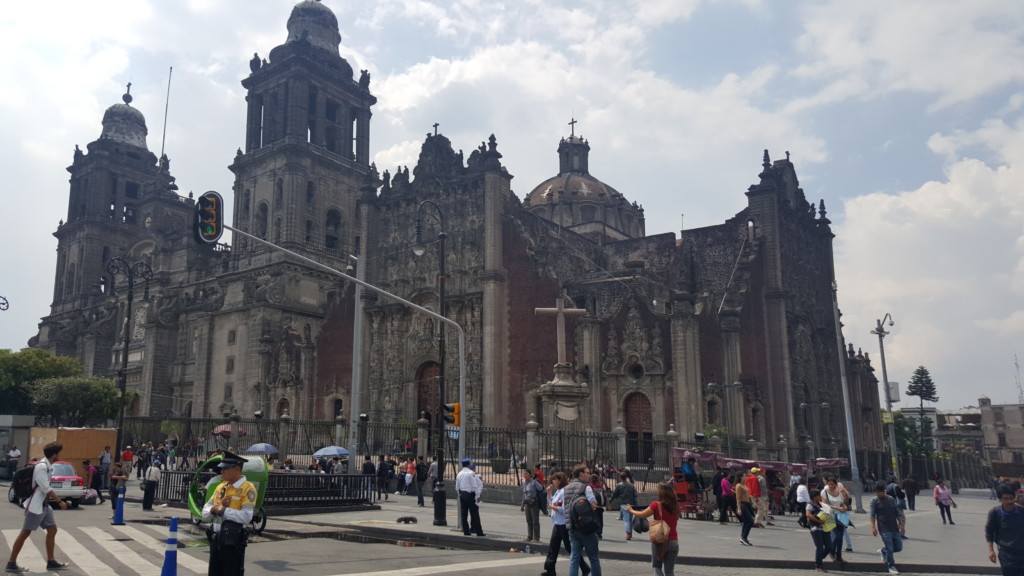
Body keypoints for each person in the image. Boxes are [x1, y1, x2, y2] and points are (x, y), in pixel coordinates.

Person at [5, 442, 70, 573]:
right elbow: (45, 487)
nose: (60, 455)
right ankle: (11, 563)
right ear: (54, 454)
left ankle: (51, 561)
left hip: (43, 505)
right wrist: (60, 501)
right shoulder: (41, 467)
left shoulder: (47, 466)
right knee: (25, 533)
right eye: (59, 453)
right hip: (35, 506)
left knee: (52, 529)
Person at [201, 451, 256, 576]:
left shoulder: (248, 488)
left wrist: (223, 510)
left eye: (225, 468)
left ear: (237, 469)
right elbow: (204, 512)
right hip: (215, 540)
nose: (222, 471)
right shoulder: (220, 487)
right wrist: (214, 509)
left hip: (232, 543)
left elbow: (246, 516)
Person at [627, 483, 681, 576]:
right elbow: (676, 519)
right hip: (673, 541)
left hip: (659, 541)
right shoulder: (676, 506)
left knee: (657, 567)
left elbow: (642, 514)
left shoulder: (656, 505)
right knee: (669, 571)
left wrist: (631, 510)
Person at [542, 472, 590, 576]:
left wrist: (554, 507)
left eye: (554, 480)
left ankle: (584, 567)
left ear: (560, 481)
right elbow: (551, 502)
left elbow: (564, 508)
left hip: (564, 523)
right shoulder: (558, 491)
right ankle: (550, 570)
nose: (552, 482)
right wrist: (549, 493)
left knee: (569, 547)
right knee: (553, 546)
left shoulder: (564, 491)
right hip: (557, 523)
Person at [563, 463, 602, 576]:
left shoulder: (567, 487)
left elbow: (564, 507)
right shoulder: (586, 487)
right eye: (588, 473)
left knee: (574, 557)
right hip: (586, 527)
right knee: (593, 558)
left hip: (572, 526)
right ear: (581, 474)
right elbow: (594, 504)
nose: (589, 475)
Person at [987, 484, 1024, 575]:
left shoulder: (1022, 511)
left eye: (1011, 498)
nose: (1010, 501)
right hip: (1006, 554)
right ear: (1000, 499)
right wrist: (991, 550)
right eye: (1006, 498)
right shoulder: (995, 513)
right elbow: (989, 531)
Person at [871, 481, 905, 575]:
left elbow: (897, 512)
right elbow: (872, 515)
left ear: (884, 491)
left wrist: (902, 525)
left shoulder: (891, 499)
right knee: (890, 548)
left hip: (894, 527)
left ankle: (883, 550)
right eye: (876, 492)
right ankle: (891, 566)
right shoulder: (874, 501)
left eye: (879, 492)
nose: (877, 494)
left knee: (898, 547)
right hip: (883, 528)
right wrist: (873, 527)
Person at [822, 475, 849, 564]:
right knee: (835, 536)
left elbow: (842, 503)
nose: (830, 486)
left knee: (840, 537)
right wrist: (837, 508)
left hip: (840, 516)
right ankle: (831, 552)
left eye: (832, 484)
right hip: (831, 516)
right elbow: (825, 504)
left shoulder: (839, 492)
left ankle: (839, 555)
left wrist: (844, 507)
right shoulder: (824, 492)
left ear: (835, 484)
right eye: (829, 484)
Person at [455, 458, 485, 536]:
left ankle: (466, 531)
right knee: (475, 514)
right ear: (468, 464)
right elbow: (474, 486)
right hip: (471, 495)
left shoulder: (459, 474)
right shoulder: (471, 473)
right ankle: (479, 532)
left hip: (462, 495)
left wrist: (460, 495)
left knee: (464, 514)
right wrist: (477, 496)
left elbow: (457, 487)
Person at [805, 489, 831, 573]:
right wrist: (819, 521)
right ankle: (818, 565)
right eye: (818, 496)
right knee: (820, 547)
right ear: (814, 496)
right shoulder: (810, 504)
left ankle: (819, 557)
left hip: (825, 528)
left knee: (829, 546)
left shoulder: (820, 504)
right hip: (816, 528)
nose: (820, 497)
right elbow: (808, 514)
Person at [612, 471, 638, 540]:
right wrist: (636, 504)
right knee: (630, 519)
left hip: (623, 504)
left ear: (620, 478)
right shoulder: (631, 485)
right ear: (626, 477)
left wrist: (611, 500)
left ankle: (628, 534)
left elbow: (615, 494)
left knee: (627, 520)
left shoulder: (619, 486)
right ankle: (630, 533)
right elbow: (635, 495)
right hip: (631, 503)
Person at [521, 469, 545, 542]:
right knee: (529, 520)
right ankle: (529, 536)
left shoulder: (534, 483)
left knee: (535, 521)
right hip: (527, 503)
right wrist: (522, 505)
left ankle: (536, 537)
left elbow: (541, 489)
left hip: (534, 503)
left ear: (530, 475)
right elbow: (523, 494)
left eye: (526, 474)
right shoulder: (524, 483)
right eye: (524, 474)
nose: (524, 475)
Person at [735, 473, 755, 546]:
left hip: (747, 504)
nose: (746, 477)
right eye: (744, 476)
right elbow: (738, 498)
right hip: (742, 504)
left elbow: (748, 496)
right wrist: (739, 508)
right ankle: (744, 537)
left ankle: (743, 538)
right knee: (750, 521)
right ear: (741, 477)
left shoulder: (745, 485)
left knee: (746, 521)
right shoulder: (739, 486)